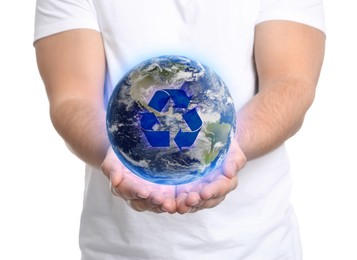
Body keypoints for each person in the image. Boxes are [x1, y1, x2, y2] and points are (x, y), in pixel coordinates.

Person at [34, 0, 325, 259]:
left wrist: (229, 148)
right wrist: (114, 154)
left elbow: (291, 83)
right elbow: (72, 97)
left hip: (258, 245)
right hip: (117, 249)